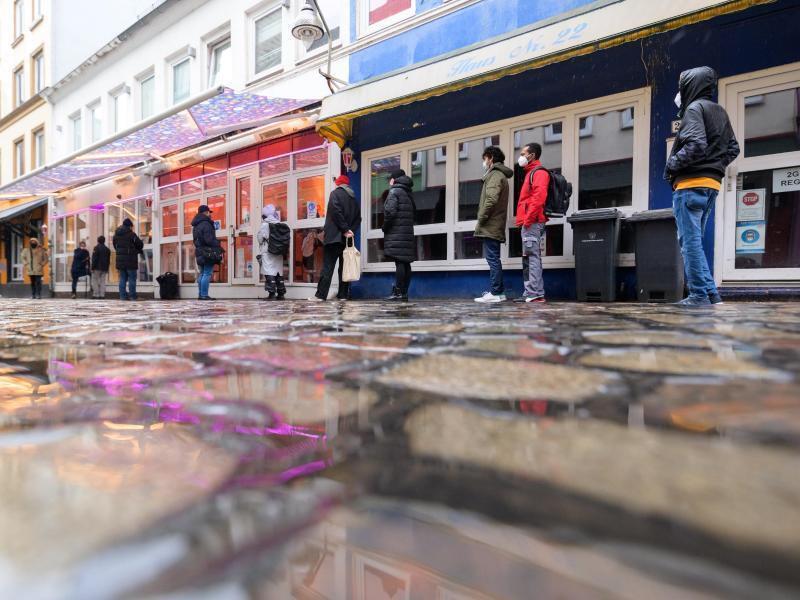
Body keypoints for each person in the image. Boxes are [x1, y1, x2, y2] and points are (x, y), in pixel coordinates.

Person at [665, 66, 739, 306]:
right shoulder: (719, 111)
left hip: (690, 185)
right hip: (710, 186)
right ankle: (711, 295)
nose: (679, 92)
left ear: (690, 85)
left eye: (682, 86)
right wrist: (714, 167)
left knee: (689, 244)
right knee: (695, 242)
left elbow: (696, 144)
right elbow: (733, 149)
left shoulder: (694, 109)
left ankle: (698, 295)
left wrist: (671, 165)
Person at [309, 174, 361, 302]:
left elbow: (336, 212)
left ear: (338, 184)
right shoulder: (353, 199)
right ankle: (343, 295)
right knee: (344, 268)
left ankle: (320, 295)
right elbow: (358, 218)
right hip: (346, 240)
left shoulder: (335, 194)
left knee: (328, 267)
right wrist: (350, 231)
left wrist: (344, 229)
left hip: (333, 238)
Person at [474, 146, 514, 303]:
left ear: (490, 158)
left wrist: (481, 218)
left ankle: (496, 292)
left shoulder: (495, 175)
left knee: (493, 260)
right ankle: (499, 293)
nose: (484, 162)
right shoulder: (498, 175)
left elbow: (491, 199)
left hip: (491, 224)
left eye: (485, 158)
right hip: (494, 224)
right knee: (494, 259)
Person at [514, 142, 549, 304]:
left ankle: (532, 292)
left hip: (532, 222)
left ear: (532, 155)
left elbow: (539, 197)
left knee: (531, 257)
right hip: (530, 221)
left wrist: (527, 219)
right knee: (531, 257)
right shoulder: (531, 173)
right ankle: (535, 293)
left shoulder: (538, 173)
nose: (521, 157)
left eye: (523, 154)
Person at [382, 169, 416, 301]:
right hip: (407, 233)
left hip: (396, 233)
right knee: (406, 263)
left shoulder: (394, 192)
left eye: (390, 179)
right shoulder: (408, 192)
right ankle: (404, 292)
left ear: (394, 179)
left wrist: (385, 227)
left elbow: (390, 212)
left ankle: (397, 292)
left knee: (400, 262)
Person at [256, 204, 289, 300]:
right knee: (278, 272)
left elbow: (260, 239)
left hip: (268, 251)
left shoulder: (265, 225)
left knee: (269, 271)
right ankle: (281, 293)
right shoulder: (280, 224)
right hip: (279, 252)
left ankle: (272, 294)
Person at [191, 204, 221, 301]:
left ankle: (201, 294)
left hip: (199, 251)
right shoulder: (206, 224)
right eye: (209, 212)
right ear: (206, 212)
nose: (210, 214)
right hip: (207, 252)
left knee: (202, 273)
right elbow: (209, 239)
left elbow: (196, 240)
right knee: (207, 273)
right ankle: (204, 295)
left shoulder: (196, 225)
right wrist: (217, 243)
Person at [113, 217, 144, 301]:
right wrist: (136, 250)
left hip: (120, 261)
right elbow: (140, 244)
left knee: (122, 278)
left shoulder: (116, 235)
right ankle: (133, 296)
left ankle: (122, 296)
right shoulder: (131, 234)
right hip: (130, 260)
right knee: (132, 278)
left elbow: (115, 246)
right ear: (129, 226)